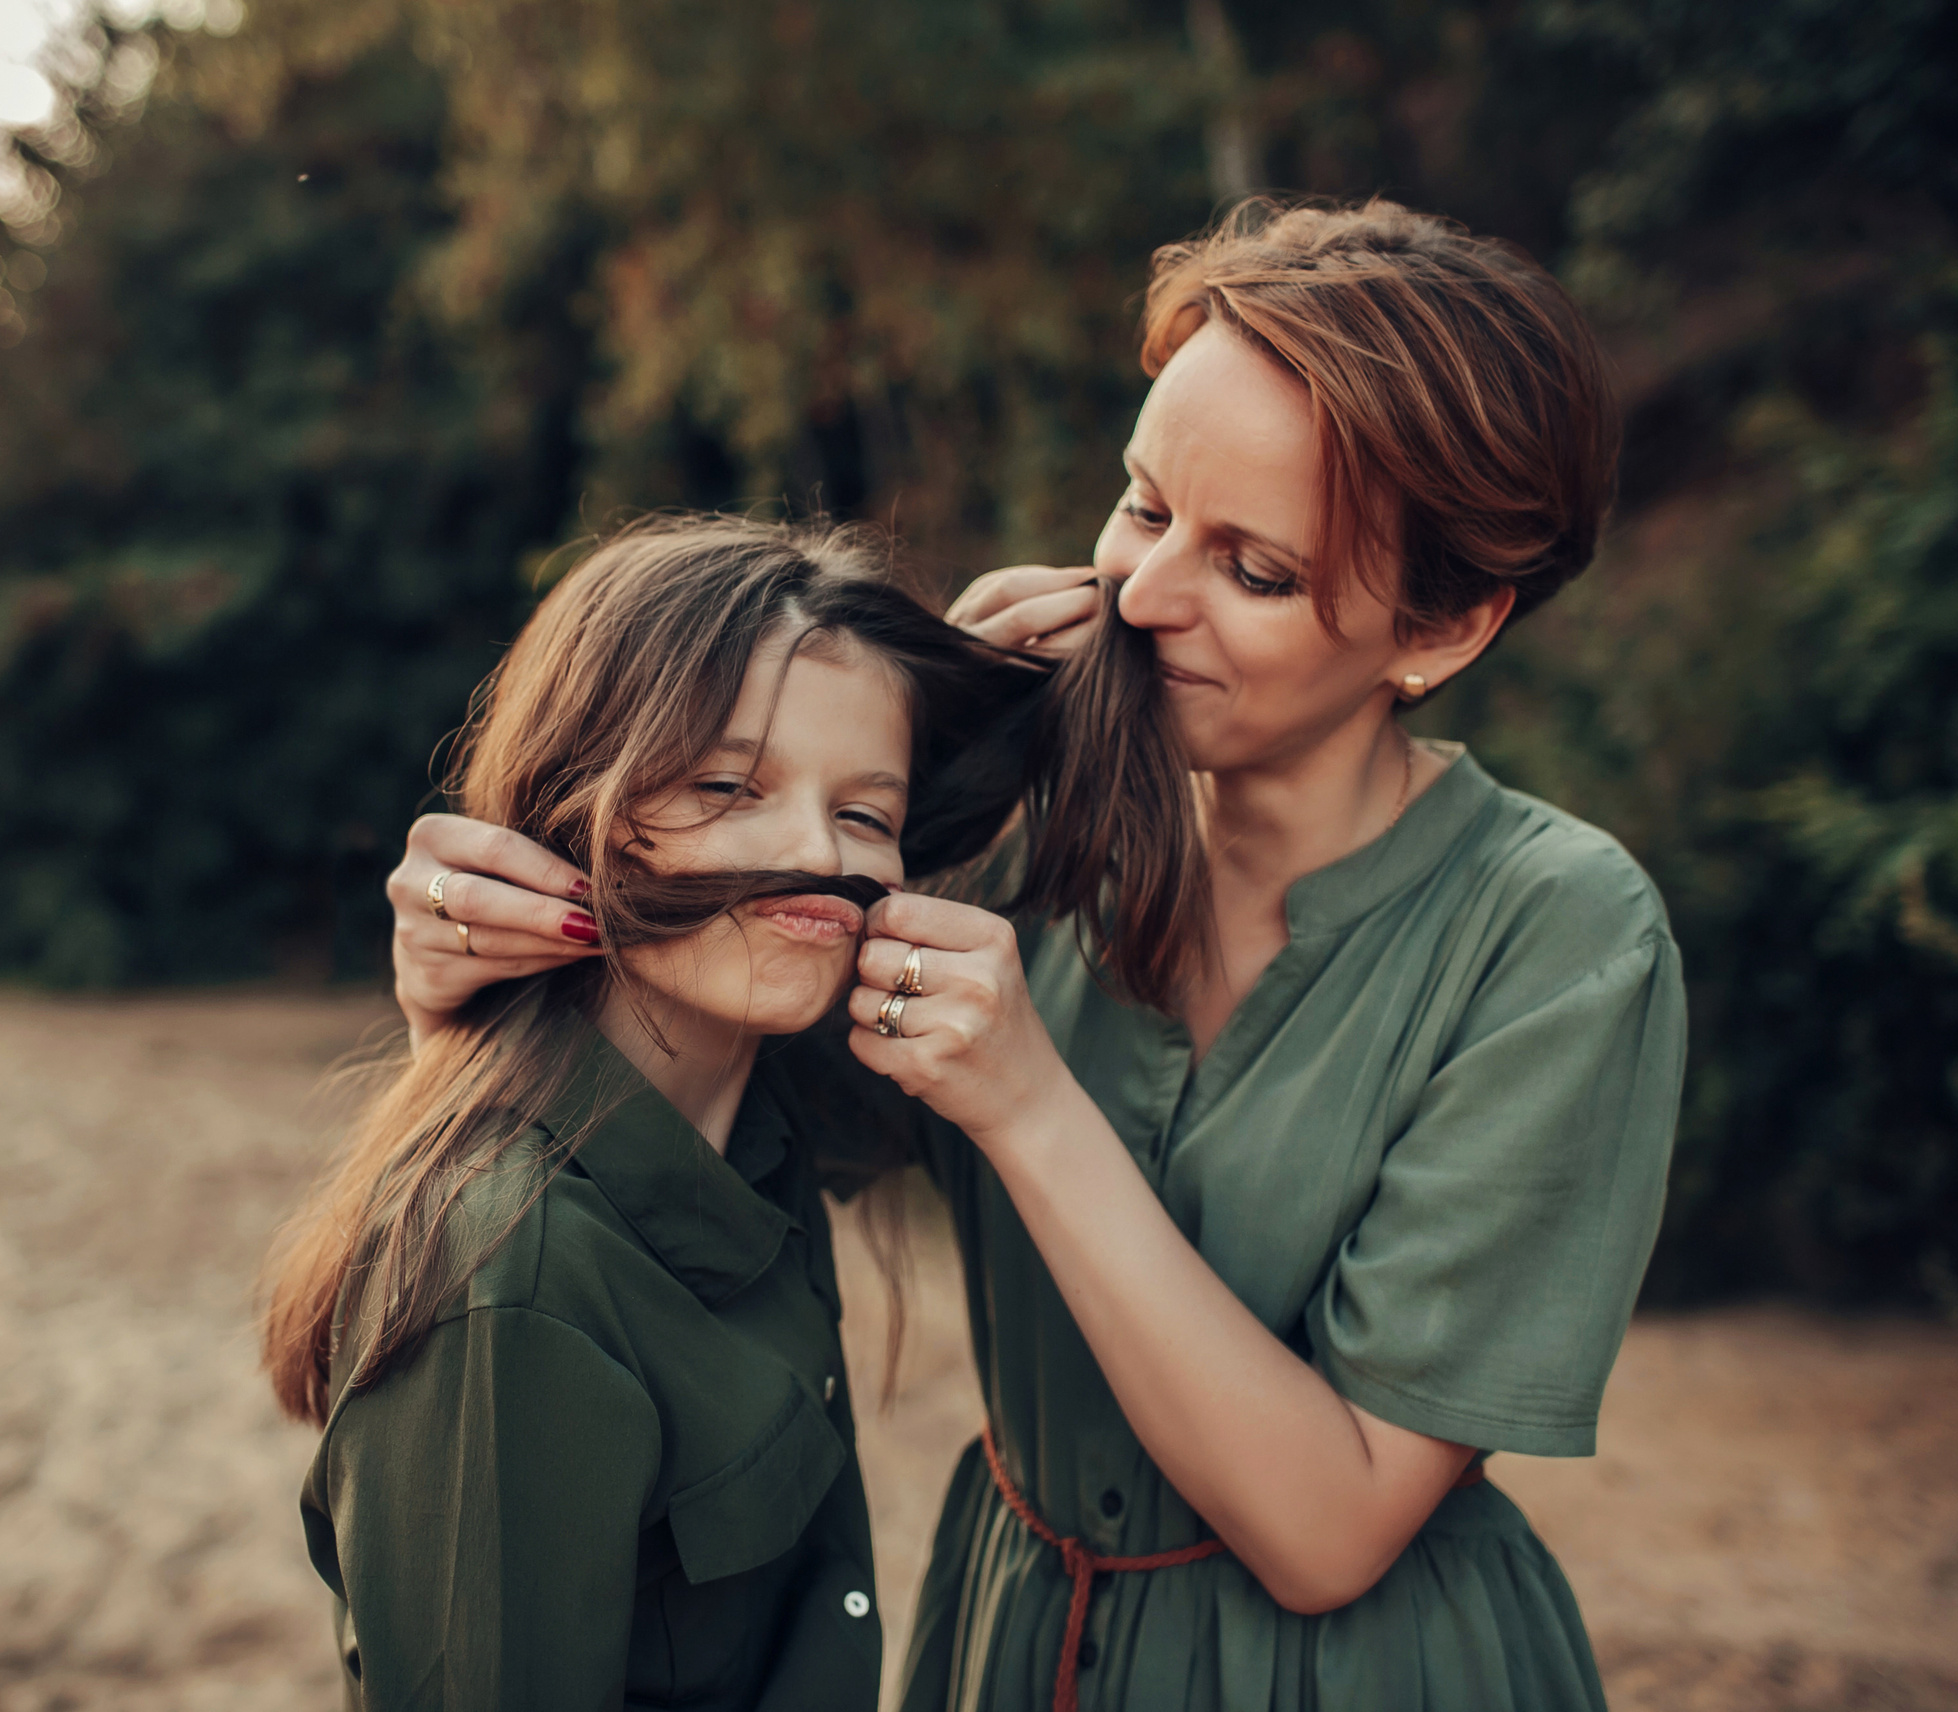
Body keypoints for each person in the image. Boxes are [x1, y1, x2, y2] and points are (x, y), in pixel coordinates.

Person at [390, 199, 1686, 1712]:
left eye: (1253, 571)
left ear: (1446, 627)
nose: (1142, 598)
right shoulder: (1007, 831)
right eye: (1144, 508)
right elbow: (698, 1193)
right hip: (1011, 1650)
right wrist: (479, 1012)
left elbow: (1331, 1529)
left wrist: (1027, 1102)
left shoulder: (1562, 938)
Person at [261, 515, 1042, 1712]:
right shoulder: (514, 1284)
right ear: (570, 806)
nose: (812, 852)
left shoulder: (768, 1123)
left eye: (865, 812)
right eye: (730, 785)